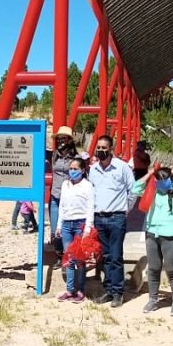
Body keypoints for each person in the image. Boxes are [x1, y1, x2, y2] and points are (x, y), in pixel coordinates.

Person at [133, 166, 173, 315]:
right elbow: (135, 188)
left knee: (172, 269)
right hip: (152, 234)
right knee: (153, 268)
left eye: (165, 179)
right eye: (159, 179)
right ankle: (153, 299)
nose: (162, 182)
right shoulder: (152, 193)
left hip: (171, 235)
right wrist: (150, 174)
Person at [89, 134, 135, 308]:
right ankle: (108, 290)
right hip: (99, 218)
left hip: (116, 218)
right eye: (98, 148)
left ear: (111, 149)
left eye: (103, 148)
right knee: (105, 256)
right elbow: (91, 192)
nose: (100, 150)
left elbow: (133, 191)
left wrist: (125, 210)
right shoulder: (93, 169)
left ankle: (118, 292)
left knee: (116, 257)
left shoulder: (122, 168)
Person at [55, 157, 94, 303]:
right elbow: (62, 206)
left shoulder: (87, 186)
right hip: (66, 225)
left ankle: (80, 290)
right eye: (71, 169)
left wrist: (87, 229)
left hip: (80, 225)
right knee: (69, 258)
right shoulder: (65, 185)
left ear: (83, 170)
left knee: (79, 259)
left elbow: (90, 208)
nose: (72, 171)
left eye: (75, 169)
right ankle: (70, 290)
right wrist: (59, 225)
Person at [49, 126, 78, 266]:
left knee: (68, 228)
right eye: (59, 138)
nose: (61, 141)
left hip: (70, 198)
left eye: (64, 138)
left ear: (69, 140)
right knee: (55, 230)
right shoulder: (55, 155)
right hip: (55, 196)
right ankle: (60, 255)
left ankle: (69, 258)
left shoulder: (76, 158)